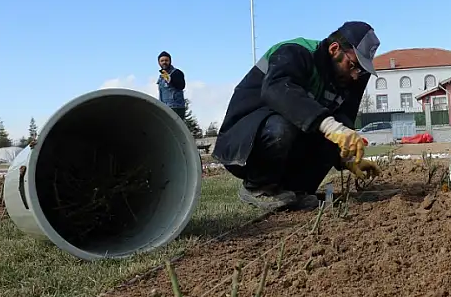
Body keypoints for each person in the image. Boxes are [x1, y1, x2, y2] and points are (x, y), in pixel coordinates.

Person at [212, 21, 383, 210]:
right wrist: (332, 127)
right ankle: (257, 187)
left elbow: (342, 120)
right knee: (285, 125)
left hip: (288, 142)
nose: (355, 75)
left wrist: (347, 157)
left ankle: (296, 192)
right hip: (247, 141)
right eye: (353, 65)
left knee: (329, 130)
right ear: (334, 49)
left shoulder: (347, 78)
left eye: (360, 70)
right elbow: (278, 91)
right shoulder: (295, 53)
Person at [157, 51, 187, 120]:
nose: (164, 62)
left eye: (166, 60)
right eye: (162, 61)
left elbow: (181, 86)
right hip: (164, 106)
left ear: (170, 61)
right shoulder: (162, 76)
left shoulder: (176, 72)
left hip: (175, 108)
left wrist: (171, 80)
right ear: (159, 63)